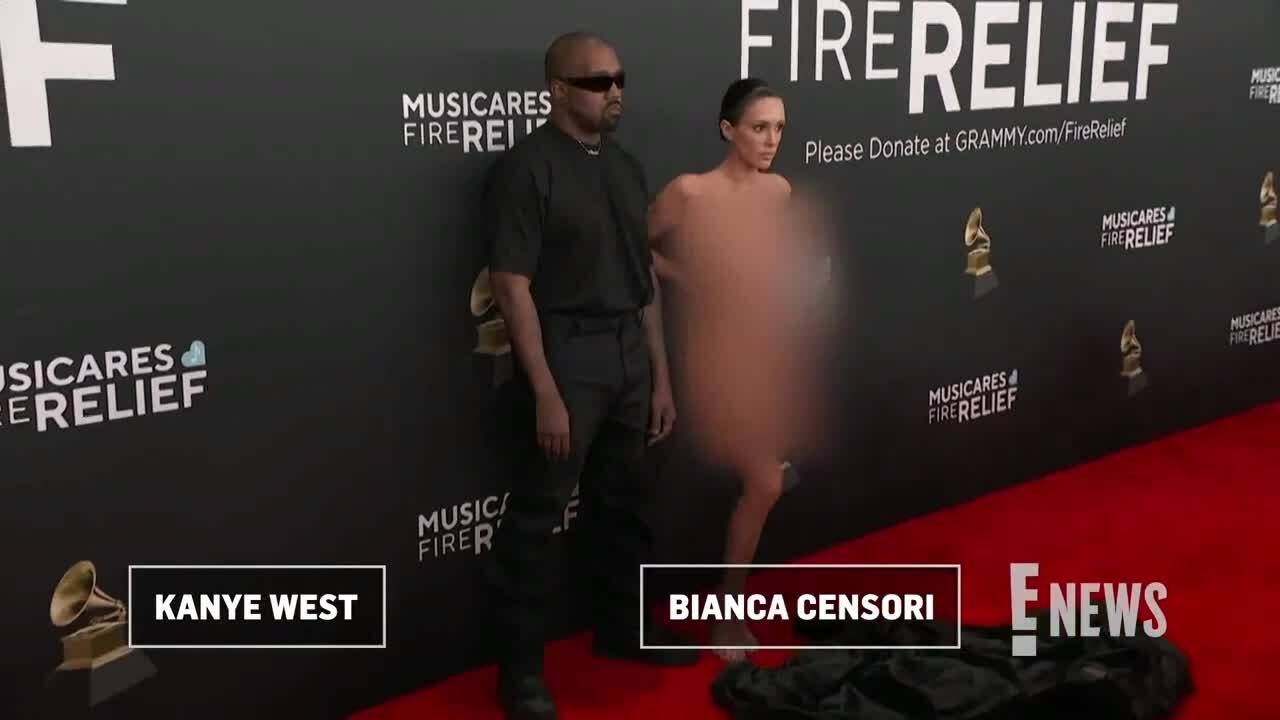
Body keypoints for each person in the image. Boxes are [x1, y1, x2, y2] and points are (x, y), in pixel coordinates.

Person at [480, 31, 698, 720]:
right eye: (598, 82)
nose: (615, 93)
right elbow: (511, 286)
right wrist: (545, 390)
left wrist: (660, 376)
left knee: (624, 506)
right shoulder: (526, 169)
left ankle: (623, 630)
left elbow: (645, 280)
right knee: (536, 521)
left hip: (629, 353)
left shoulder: (627, 167)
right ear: (557, 90)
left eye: (619, 80)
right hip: (567, 357)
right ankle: (520, 675)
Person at [647, 78, 799, 661]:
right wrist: (689, 279)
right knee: (766, 481)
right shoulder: (690, 192)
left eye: (779, 128)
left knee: (765, 485)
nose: (771, 139)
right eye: (759, 127)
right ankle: (725, 618)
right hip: (708, 356)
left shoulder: (778, 192)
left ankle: (727, 611)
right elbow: (631, 248)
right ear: (727, 129)